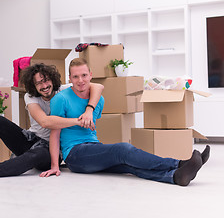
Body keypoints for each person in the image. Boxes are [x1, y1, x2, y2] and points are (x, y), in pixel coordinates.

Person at [40, 58, 210, 186]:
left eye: (84, 75)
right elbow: (55, 132)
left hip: (93, 147)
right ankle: (180, 162)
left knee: (128, 165)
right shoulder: (61, 99)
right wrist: (55, 165)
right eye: (75, 77)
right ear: (70, 78)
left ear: (91, 75)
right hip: (74, 155)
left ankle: (175, 176)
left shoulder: (98, 100)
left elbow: (91, 128)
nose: (81, 80)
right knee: (123, 149)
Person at [0, 63, 104, 181]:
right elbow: (45, 122)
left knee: (38, 154)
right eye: (38, 83)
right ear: (33, 86)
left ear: (53, 79)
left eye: (46, 80)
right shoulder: (30, 96)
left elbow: (97, 86)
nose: (44, 85)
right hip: (30, 139)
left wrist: (89, 110)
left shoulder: (63, 90)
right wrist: (78, 120)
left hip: (50, 150)